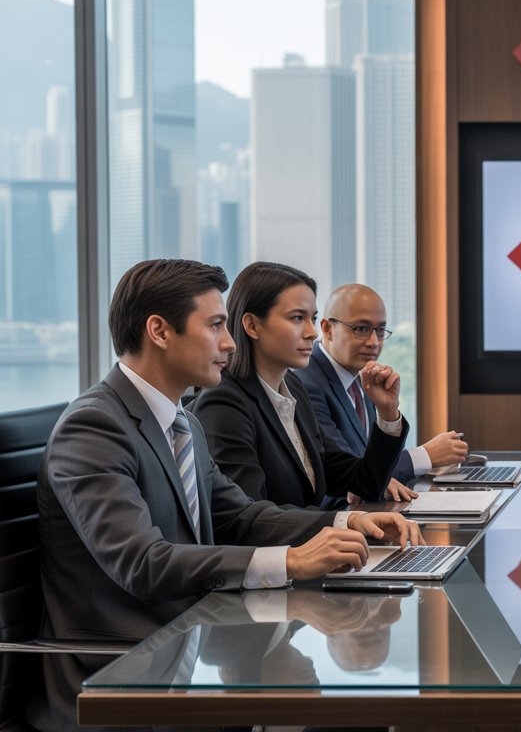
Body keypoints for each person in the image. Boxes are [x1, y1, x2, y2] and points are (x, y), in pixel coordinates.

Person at [32, 259, 422, 731]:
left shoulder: (182, 423)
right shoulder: (94, 426)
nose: (230, 342)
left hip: (191, 646)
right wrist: (289, 561)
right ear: (159, 331)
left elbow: (242, 515)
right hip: (120, 676)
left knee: (361, 716)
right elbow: (142, 563)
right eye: (215, 325)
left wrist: (346, 522)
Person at [191, 263, 408, 508]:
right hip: (288, 535)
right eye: (297, 318)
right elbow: (250, 515)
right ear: (252, 325)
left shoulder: (293, 387)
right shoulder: (224, 403)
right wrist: (344, 522)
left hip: (314, 533)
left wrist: (387, 413)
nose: (312, 333)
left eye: (312, 319)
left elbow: (364, 482)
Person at [299, 283, 468, 505]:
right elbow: (345, 478)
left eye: (380, 331)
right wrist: (423, 456)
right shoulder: (305, 383)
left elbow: (370, 466)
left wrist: (388, 411)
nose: (374, 342)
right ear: (327, 329)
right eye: (361, 329)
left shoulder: (363, 376)